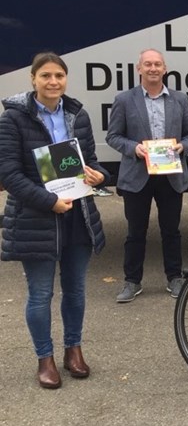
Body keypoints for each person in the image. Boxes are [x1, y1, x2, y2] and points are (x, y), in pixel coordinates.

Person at [0, 52, 108, 388]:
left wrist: (99, 176)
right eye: (45, 75)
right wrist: (50, 202)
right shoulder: (13, 118)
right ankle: (44, 358)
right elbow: (9, 174)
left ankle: (73, 350)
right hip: (36, 218)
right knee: (40, 294)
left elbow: (91, 161)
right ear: (33, 79)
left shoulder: (78, 115)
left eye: (59, 76)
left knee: (75, 290)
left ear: (66, 79)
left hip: (78, 215)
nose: (53, 82)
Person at [106, 49, 188, 302]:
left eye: (158, 64)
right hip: (137, 175)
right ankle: (132, 281)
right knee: (135, 232)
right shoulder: (124, 100)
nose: (153, 68)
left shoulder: (180, 99)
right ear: (139, 69)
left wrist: (183, 147)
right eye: (148, 64)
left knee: (172, 231)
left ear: (165, 68)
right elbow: (113, 136)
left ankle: (174, 278)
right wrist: (133, 148)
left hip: (170, 175)